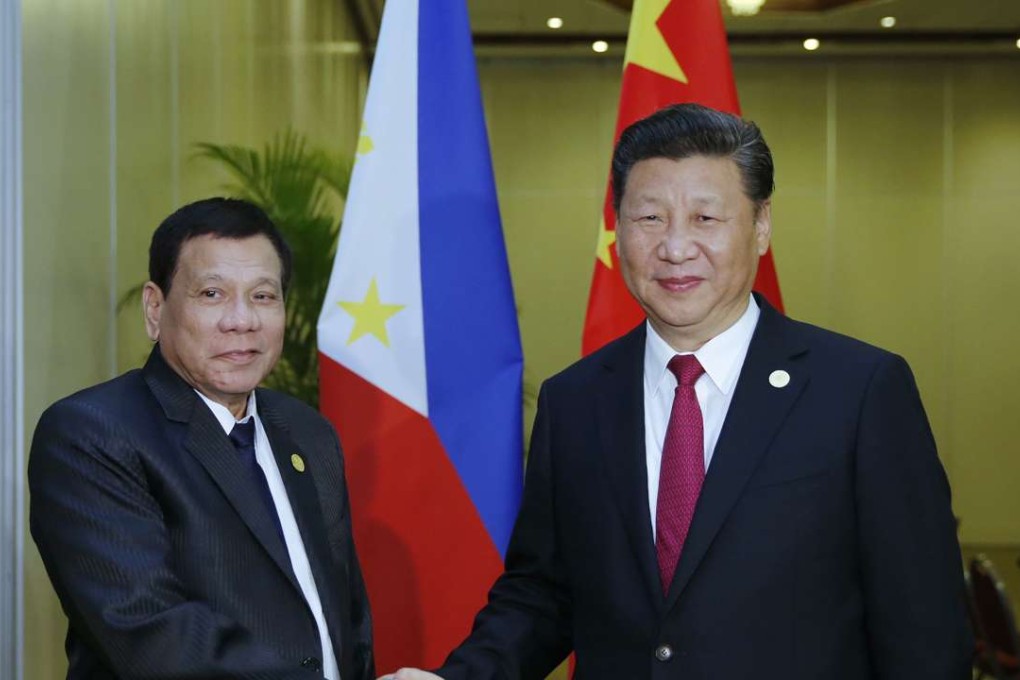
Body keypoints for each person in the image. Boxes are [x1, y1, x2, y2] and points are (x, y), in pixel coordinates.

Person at [385, 104, 971, 679]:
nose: (675, 248)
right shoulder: (575, 401)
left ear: (761, 225)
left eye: (706, 219)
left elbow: (924, 629)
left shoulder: (860, 391)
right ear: (617, 229)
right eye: (650, 218)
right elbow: (545, 594)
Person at [30, 198, 374, 679]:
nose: (242, 320)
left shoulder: (307, 432)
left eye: (263, 296)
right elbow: (152, 634)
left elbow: (344, 615)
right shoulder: (91, 433)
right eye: (212, 294)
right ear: (155, 308)